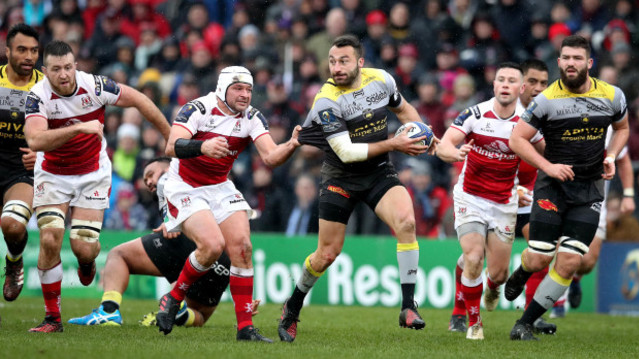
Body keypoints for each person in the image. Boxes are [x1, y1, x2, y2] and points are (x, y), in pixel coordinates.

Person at [277, 34, 439, 343]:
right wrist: (395, 143)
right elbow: (347, 152)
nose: (336, 67)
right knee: (326, 254)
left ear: (360, 62)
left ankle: (408, 307)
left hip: (378, 172)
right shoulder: (326, 99)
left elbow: (405, 111)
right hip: (341, 176)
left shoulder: (381, 81)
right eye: (332, 61)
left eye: (344, 61)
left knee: (406, 222)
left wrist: (427, 137)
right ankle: (293, 305)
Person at [23, 40, 171, 333]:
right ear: (45, 71)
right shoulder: (36, 96)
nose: (64, 74)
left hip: (92, 173)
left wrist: (171, 139)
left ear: (75, 65)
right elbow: (35, 140)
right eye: (56, 69)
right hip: (53, 174)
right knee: (50, 238)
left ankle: (87, 262)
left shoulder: (96, 86)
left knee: (85, 249)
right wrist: (79, 126)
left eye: (68, 67)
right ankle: (53, 318)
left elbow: (140, 99)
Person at [155, 65, 301, 342]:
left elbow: (270, 157)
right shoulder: (197, 108)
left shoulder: (252, 117)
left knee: (243, 248)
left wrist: (292, 144)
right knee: (212, 246)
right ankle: (174, 297)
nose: (245, 94)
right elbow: (170, 146)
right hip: (184, 184)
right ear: (222, 89)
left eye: (248, 89)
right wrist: (202, 146)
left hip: (220, 186)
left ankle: (245, 328)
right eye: (238, 88)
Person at [506, 35, 629, 341]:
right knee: (540, 257)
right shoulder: (546, 100)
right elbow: (517, 139)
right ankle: (522, 272)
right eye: (566, 58)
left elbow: (623, 128)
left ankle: (524, 322)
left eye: (577, 58)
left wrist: (611, 155)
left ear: (589, 63)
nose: (571, 63)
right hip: (553, 188)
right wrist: (547, 167)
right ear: (558, 61)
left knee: (572, 260)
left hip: (589, 190)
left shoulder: (612, 96)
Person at [67, 157, 260, 327]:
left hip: (192, 242)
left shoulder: (170, 177)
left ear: (168, 167)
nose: (149, 181)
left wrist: (170, 222)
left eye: (151, 174)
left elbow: (169, 194)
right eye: (145, 180)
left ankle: (109, 311)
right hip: (225, 262)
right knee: (199, 316)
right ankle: (182, 314)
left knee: (119, 255)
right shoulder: (210, 176)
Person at [437, 62, 544, 340]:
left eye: (512, 81)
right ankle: (474, 322)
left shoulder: (528, 122)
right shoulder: (474, 114)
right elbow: (444, 146)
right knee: (474, 256)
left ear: (521, 88)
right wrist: (456, 153)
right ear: (494, 85)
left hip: (504, 202)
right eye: (501, 80)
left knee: (497, 273)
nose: (505, 84)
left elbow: (547, 154)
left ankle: (491, 285)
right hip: (470, 197)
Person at [567, 127, 636, 310]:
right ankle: (556, 304)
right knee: (564, 255)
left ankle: (575, 279)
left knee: (587, 262)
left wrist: (628, 195)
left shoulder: (610, 128)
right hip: (566, 199)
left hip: (596, 202)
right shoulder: (565, 118)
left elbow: (624, 160)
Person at [514, 59, 558, 333]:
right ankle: (461, 313)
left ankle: (532, 315)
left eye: (544, 83)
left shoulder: (550, 117)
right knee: (478, 261)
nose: (538, 88)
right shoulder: (503, 111)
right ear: (520, 84)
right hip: (494, 196)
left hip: (528, 199)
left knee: (543, 252)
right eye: (532, 81)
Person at [1, 24, 41, 302]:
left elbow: (67, 129)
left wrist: (44, 153)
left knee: (13, 226)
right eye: (22, 50)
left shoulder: (47, 86)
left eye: (34, 51)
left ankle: (14, 260)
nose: (29, 56)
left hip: (21, 169)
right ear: (7, 52)